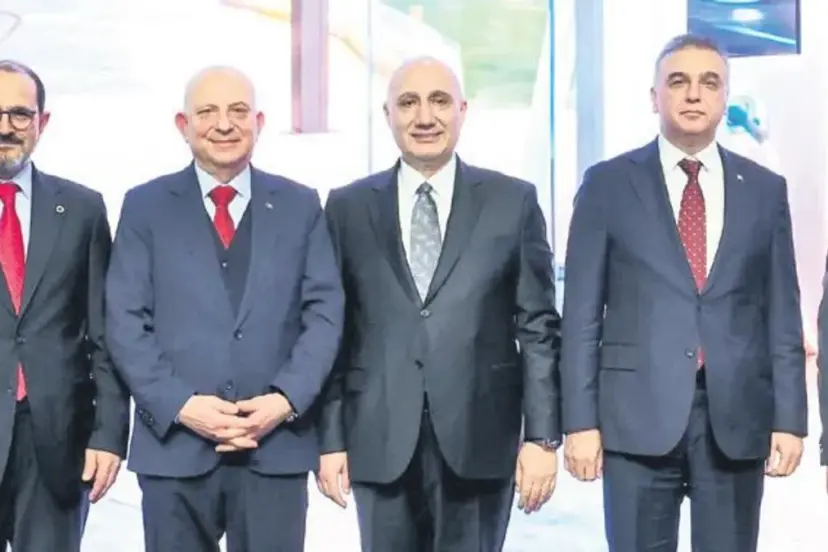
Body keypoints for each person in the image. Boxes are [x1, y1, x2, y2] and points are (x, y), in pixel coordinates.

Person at [560, 33, 807, 552]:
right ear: (654, 97)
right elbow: (580, 316)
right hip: (634, 420)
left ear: (724, 97)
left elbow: (783, 314)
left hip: (735, 418)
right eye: (678, 82)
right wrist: (579, 422)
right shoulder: (607, 185)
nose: (694, 94)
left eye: (709, 83)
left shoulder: (765, 191)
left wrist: (790, 420)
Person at [316, 56, 561, 552]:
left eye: (439, 101)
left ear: (463, 111)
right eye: (408, 102)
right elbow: (332, 331)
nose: (424, 117)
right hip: (378, 439)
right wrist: (330, 439)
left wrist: (541, 438)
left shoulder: (512, 202)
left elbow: (538, 328)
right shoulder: (347, 207)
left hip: (481, 439)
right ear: (387, 114)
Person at [105, 65, 344, 551]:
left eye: (238, 111)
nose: (224, 124)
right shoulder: (145, 206)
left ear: (259, 122)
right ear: (183, 124)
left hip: (275, 447)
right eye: (208, 112)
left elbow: (324, 314)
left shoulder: (300, 205)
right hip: (175, 449)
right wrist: (181, 406)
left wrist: (284, 401)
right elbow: (125, 321)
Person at [0, 60, 129, 551]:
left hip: (56, 445)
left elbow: (105, 334)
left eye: (20, 114)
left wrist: (109, 434)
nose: (6, 127)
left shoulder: (81, 209)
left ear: (42, 122)